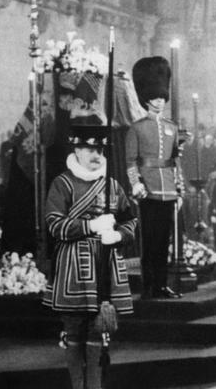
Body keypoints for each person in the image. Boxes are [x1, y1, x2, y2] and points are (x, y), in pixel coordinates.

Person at [43, 123, 137, 389]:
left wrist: (118, 235)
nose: (96, 155)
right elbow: (54, 224)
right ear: (77, 149)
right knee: (74, 330)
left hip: (105, 264)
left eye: (100, 149)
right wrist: (90, 226)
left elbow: (130, 220)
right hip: (74, 267)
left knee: (99, 330)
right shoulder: (62, 184)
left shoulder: (113, 186)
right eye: (90, 149)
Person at [124, 56, 186, 298]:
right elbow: (131, 161)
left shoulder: (171, 127)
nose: (159, 102)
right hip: (148, 190)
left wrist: (179, 188)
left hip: (168, 190)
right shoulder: (137, 128)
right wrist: (136, 184)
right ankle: (149, 284)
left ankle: (161, 283)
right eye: (155, 98)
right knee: (149, 241)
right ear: (146, 99)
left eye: (162, 98)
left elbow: (174, 160)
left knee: (164, 241)